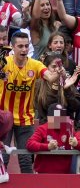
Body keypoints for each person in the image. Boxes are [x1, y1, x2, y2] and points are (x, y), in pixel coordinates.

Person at [0, 31, 59, 173]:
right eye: (20, 46)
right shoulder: (4, 63)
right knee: (3, 158)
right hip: (4, 119)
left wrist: (59, 73)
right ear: (12, 48)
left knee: (26, 160)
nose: (24, 49)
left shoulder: (35, 65)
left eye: (26, 46)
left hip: (26, 118)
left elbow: (50, 78)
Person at [26, 103, 80, 174]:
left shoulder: (69, 129)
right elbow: (30, 144)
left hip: (64, 176)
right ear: (50, 118)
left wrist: (77, 144)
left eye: (62, 116)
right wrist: (47, 146)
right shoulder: (42, 129)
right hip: (43, 174)